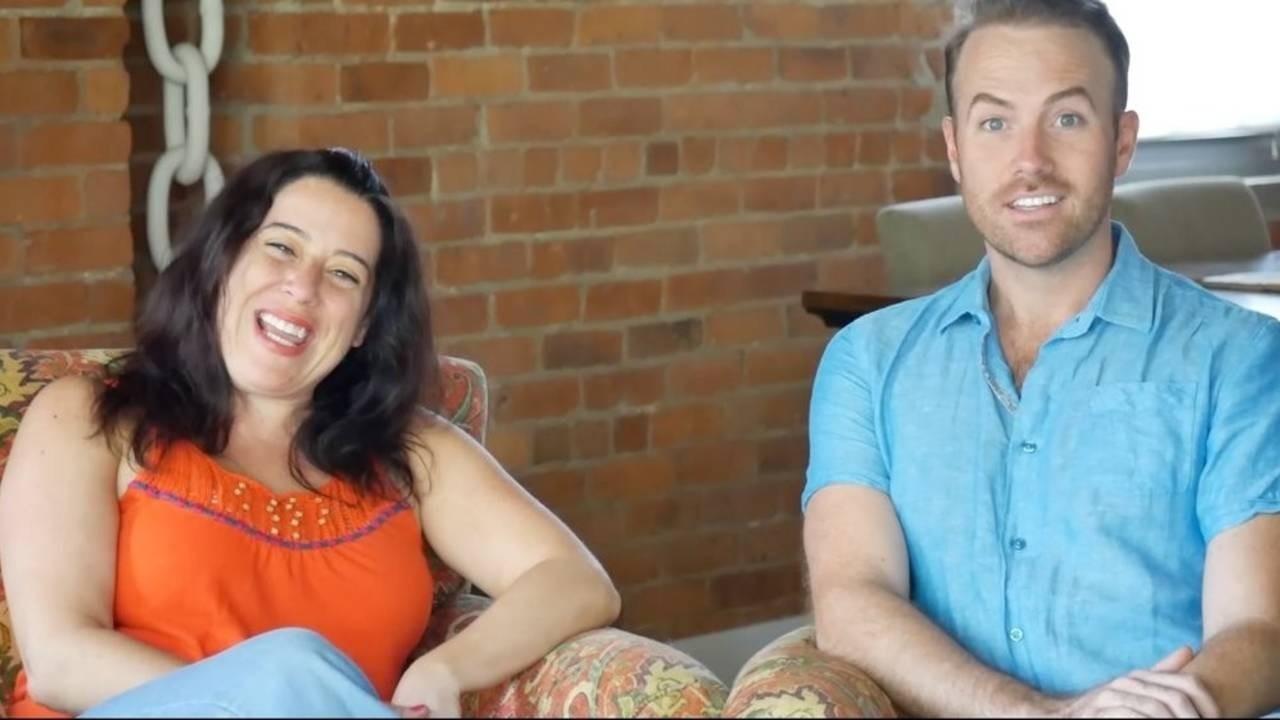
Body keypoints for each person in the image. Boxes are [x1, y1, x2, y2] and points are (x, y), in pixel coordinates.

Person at [0, 148, 621, 717]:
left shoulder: (413, 453)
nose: (303, 287)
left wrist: (446, 669)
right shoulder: (86, 417)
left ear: (363, 327)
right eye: (281, 247)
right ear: (222, 261)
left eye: (344, 275)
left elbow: (575, 579)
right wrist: (274, 697)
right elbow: (59, 661)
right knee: (288, 662)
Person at [803, 1, 1280, 717]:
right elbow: (851, 601)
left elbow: (1261, 631)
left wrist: (1160, 710)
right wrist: (1040, 714)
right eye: (995, 123)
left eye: (1067, 118)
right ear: (955, 147)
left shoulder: (1240, 359)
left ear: (1122, 142)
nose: (1030, 161)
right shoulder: (866, 363)